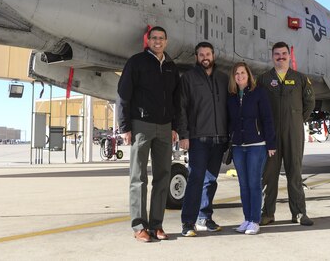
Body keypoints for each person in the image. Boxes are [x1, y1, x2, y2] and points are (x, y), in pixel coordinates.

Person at [116, 26, 180, 243]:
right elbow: (123, 95)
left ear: (166, 41)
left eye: (161, 38)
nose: (158, 41)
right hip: (141, 125)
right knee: (138, 177)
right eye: (154, 38)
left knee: (163, 177)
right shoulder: (136, 62)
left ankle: (156, 226)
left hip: (165, 127)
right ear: (148, 41)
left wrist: (175, 127)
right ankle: (139, 226)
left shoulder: (171, 67)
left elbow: (176, 100)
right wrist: (125, 127)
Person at [257, 41, 315, 226]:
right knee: (269, 175)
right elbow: (258, 106)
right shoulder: (264, 79)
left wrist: (296, 119)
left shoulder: (300, 78)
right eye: (277, 54)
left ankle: (299, 213)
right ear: (272, 56)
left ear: (289, 56)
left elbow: (309, 103)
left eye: (284, 54)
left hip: (293, 133)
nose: (280, 57)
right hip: (271, 135)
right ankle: (267, 213)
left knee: (295, 173)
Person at [178, 42, 229, 237]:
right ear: (197, 57)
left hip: (219, 139)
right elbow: (181, 108)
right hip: (198, 138)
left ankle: (204, 217)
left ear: (213, 55)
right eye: (201, 55)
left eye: (208, 54)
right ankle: (188, 222)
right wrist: (184, 135)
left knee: (211, 180)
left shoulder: (224, 79)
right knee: (195, 179)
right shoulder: (188, 78)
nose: (205, 57)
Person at [227, 62, 276, 235]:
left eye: (243, 73)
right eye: (236, 74)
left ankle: (255, 220)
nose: (240, 76)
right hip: (238, 147)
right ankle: (247, 219)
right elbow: (230, 122)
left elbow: (267, 118)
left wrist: (271, 143)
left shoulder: (258, 93)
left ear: (248, 75)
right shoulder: (231, 96)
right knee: (243, 184)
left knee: (254, 183)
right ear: (233, 77)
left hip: (256, 145)